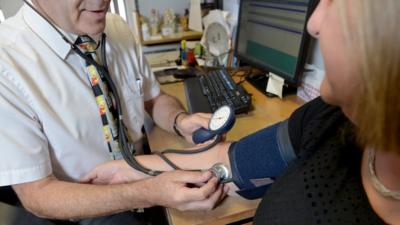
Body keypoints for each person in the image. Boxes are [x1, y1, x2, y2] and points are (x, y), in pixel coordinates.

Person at [84, 0, 400, 224]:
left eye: (336, 3)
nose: (313, 24)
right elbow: (233, 158)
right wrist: (132, 169)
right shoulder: (327, 116)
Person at [0, 0, 227, 224]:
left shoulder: (116, 26)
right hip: (84, 206)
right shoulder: (6, 62)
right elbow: (37, 194)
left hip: (143, 173)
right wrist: (145, 192)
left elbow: (154, 99)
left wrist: (179, 120)